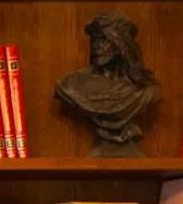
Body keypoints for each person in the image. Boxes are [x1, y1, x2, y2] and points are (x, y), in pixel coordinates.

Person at [54, 10, 161, 156]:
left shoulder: (147, 90)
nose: (97, 46)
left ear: (122, 45)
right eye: (94, 40)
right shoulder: (71, 85)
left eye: (104, 40)